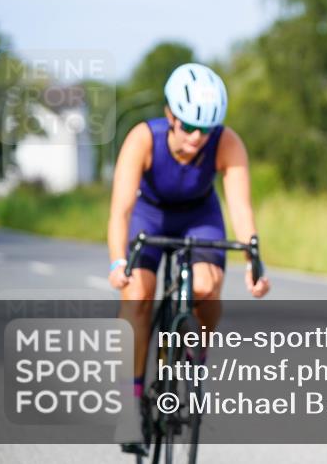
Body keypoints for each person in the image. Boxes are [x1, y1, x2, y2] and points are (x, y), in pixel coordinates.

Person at [106, 63, 270, 450]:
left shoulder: (226, 141)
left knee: (206, 286)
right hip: (150, 215)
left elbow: (241, 208)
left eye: (206, 128)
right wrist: (117, 263)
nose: (198, 137)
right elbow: (121, 210)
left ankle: (196, 357)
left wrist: (253, 261)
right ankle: (130, 405)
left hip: (199, 216)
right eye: (189, 126)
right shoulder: (143, 138)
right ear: (170, 115)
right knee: (138, 296)